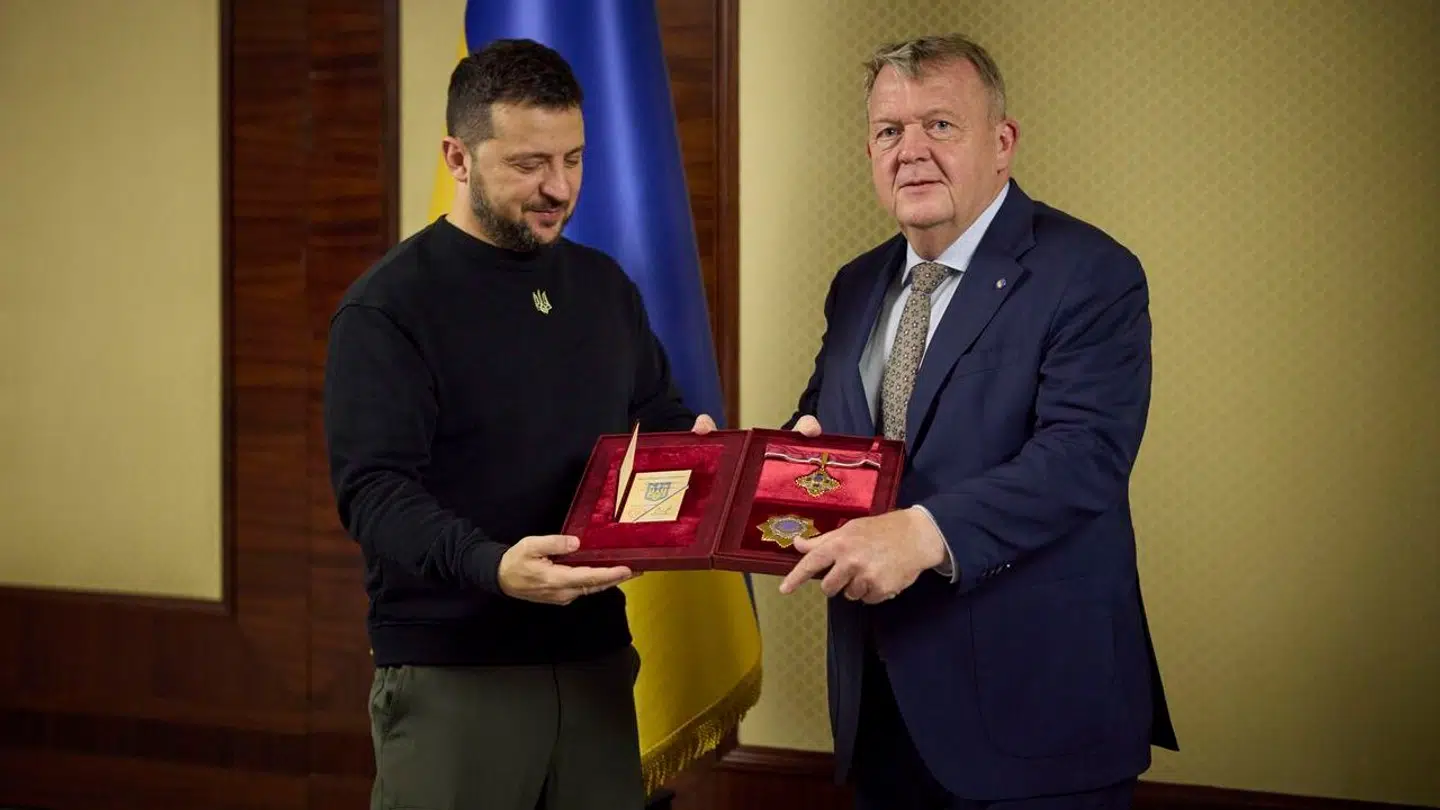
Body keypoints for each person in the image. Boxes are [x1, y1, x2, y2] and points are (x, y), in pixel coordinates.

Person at [773, 33, 1179, 810]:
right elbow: (824, 433)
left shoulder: (1091, 273)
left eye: (941, 125)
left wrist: (921, 534)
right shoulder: (856, 284)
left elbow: (1083, 455)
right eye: (890, 131)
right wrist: (739, 472)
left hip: (1036, 716)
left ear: (1002, 143)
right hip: (882, 711)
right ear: (869, 151)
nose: (912, 150)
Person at [322, 38, 710, 810]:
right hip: (454, 676)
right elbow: (372, 492)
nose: (558, 187)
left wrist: (729, 469)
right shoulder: (388, 307)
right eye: (528, 164)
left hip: (597, 663)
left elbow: (660, 424)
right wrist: (494, 564)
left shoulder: (603, 286)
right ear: (457, 159)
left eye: (573, 159)